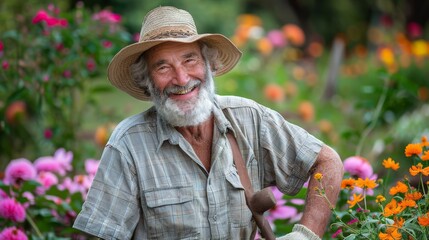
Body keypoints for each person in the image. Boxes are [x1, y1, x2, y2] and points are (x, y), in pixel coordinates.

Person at [73, 6, 344, 240]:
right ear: (147, 80)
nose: (181, 78)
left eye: (189, 59)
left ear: (208, 64)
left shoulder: (249, 118)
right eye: (163, 67)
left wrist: (305, 234)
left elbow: (327, 161)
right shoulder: (129, 144)